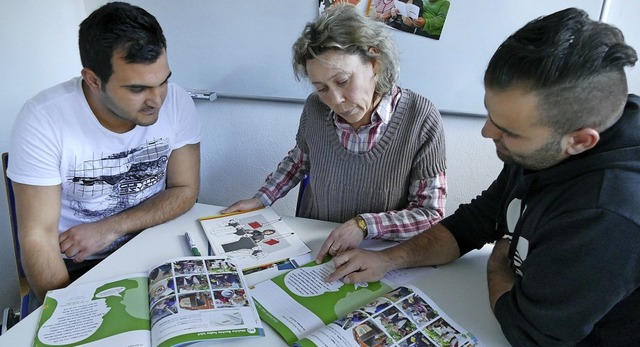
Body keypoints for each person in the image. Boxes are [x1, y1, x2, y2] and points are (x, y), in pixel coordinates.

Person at [326, 7, 640, 345]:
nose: (487, 131)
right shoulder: (545, 145)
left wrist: (498, 261)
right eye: (490, 113)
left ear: (579, 141)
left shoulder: (608, 213)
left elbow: (530, 333)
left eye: (508, 131)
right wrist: (388, 259)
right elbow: (476, 221)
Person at [7, 2, 201, 312]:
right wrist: (71, 312)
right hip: (75, 268)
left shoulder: (176, 100)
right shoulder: (42, 119)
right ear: (93, 80)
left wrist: (111, 227)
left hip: (152, 248)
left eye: (162, 81)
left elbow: (185, 189)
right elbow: (37, 235)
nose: (157, 100)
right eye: (137, 88)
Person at [222, 3, 447, 260]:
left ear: (375, 62)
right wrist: (262, 199)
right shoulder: (316, 109)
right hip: (316, 244)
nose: (336, 100)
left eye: (342, 81)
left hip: (378, 254)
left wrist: (364, 225)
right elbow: (300, 159)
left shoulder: (421, 117)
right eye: (321, 87)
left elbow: (429, 213)